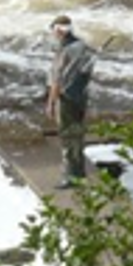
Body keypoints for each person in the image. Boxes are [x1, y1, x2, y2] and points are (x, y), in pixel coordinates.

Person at [43, 14, 96, 188]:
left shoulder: (64, 50)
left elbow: (57, 80)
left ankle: (70, 178)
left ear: (58, 30)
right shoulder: (83, 46)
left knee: (67, 139)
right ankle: (79, 174)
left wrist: (50, 103)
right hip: (81, 97)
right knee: (77, 137)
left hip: (65, 99)